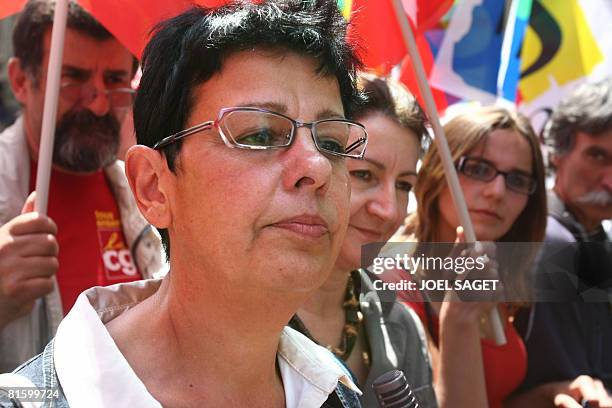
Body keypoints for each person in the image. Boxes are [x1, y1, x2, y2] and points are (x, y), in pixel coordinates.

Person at [1, 1, 370, 406]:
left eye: (332, 142)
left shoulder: (336, 392)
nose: (317, 166)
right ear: (153, 188)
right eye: (260, 134)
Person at [0, 0, 163, 373]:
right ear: (22, 82)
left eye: (114, 80)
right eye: (71, 78)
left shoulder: (147, 197)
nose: (99, 105)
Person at [291, 74, 437, 407]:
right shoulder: (242, 321)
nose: (388, 210)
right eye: (365, 175)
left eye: (403, 186)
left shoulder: (402, 326)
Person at [396, 106, 548, 407]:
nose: (497, 191)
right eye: (478, 169)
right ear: (438, 171)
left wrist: (550, 394)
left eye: (517, 180)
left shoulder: (502, 275)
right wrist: (458, 323)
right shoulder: (391, 284)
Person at [513, 78, 612, 407]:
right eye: (598, 156)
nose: (610, 178)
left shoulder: (594, 239)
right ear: (558, 153)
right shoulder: (551, 242)